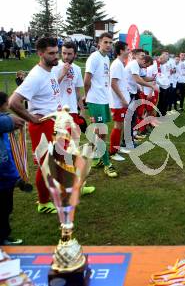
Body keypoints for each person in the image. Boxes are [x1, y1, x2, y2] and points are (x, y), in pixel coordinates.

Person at [9, 37, 93, 214]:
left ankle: (72, 187)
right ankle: (43, 202)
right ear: (40, 53)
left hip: (57, 123)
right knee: (47, 166)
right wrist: (32, 118)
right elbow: (13, 102)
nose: (57, 56)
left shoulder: (50, 71)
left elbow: (52, 89)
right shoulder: (35, 76)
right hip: (43, 126)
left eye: (57, 52)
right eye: (52, 53)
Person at [84, 32, 117, 178]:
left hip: (103, 100)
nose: (108, 45)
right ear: (99, 43)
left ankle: (96, 158)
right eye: (106, 42)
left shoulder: (106, 58)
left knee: (100, 133)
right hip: (95, 101)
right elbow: (87, 80)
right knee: (102, 132)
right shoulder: (94, 58)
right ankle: (107, 163)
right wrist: (87, 97)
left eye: (110, 42)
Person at [0, 92, 24, 245]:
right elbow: (12, 121)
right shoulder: (4, 121)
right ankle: (2, 238)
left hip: (6, 175)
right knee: (3, 207)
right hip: (3, 175)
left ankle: (4, 235)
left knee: (6, 207)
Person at [52, 41, 88, 133]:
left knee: (71, 141)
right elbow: (51, 88)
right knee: (59, 141)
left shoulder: (77, 69)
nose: (66, 57)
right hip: (58, 109)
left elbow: (77, 92)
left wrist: (83, 110)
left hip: (72, 109)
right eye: (64, 53)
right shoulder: (54, 67)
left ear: (75, 54)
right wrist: (63, 73)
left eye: (69, 54)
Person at [109, 41, 131, 161]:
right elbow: (113, 83)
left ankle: (117, 147)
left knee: (121, 124)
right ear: (121, 51)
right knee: (118, 125)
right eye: (127, 49)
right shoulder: (117, 64)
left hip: (121, 101)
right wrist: (122, 99)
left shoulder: (120, 64)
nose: (129, 51)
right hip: (118, 102)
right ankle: (113, 151)